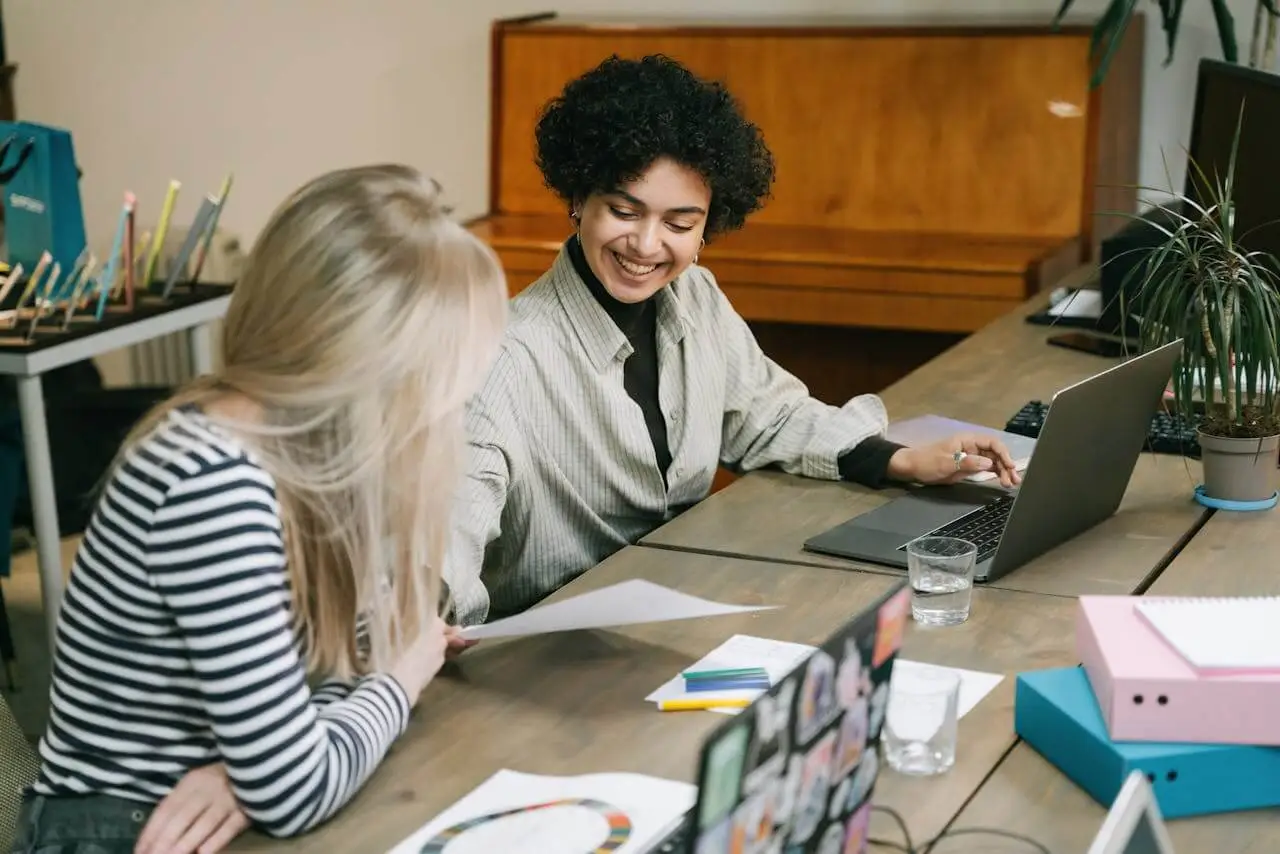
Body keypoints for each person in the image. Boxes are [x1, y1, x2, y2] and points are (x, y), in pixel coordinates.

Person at [11, 165, 508, 854]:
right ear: (368, 365)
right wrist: (404, 676)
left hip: (205, 816)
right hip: (121, 831)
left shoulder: (310, 455)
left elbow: (329, 705)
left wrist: (260, 769)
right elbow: (303, 779)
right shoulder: (212, 481)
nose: (443, 412)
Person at [443, 55, 1018, 633]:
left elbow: (767, 414)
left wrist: (902, 458)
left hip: (686, 613)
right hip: (554, 651)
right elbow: (450, 538)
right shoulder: (502, 357)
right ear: (578, 200)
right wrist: (429, 640)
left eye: (679, 223)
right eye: (623, 211)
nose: (646, 244)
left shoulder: (697, 295)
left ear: (707, 225)